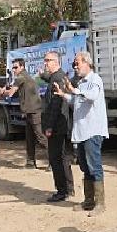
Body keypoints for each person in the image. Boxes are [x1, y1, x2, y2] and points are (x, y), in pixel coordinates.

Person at [53, 51, 109, 214]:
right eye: (74, 64)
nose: (75, 67)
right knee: (85, 166)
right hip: (82, 132)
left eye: (77, 63)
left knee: (94, 166)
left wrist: (74, 91)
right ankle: (89, 200)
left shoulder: (94, 80)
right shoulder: (81, 82)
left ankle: (100, 203)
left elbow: (92, 96)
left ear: (87, 63)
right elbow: (76, 102)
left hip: (93, 131)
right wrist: (64, 95)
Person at [42, 51, 75, 202]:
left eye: (48, 60)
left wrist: (49, 126)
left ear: (56, 61)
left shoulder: (57, 78)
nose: (45, 63)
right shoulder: (58, 76)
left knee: (56, 158)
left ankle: (62, 191)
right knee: (63, 158)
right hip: (61, 124)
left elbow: (56, 104)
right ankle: (68, 188)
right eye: (45, 60)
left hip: (58, 126)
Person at [4, 58, 47, 169]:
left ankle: (54, 161)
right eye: (13, 67)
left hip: (34, 111)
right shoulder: (26, 76)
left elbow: (11, 93)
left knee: (41, 137)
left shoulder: (21, 77)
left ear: (22, 67)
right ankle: (30, 162)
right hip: (29, 111)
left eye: (16, 67)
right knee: (30, 138)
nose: (14, 70)